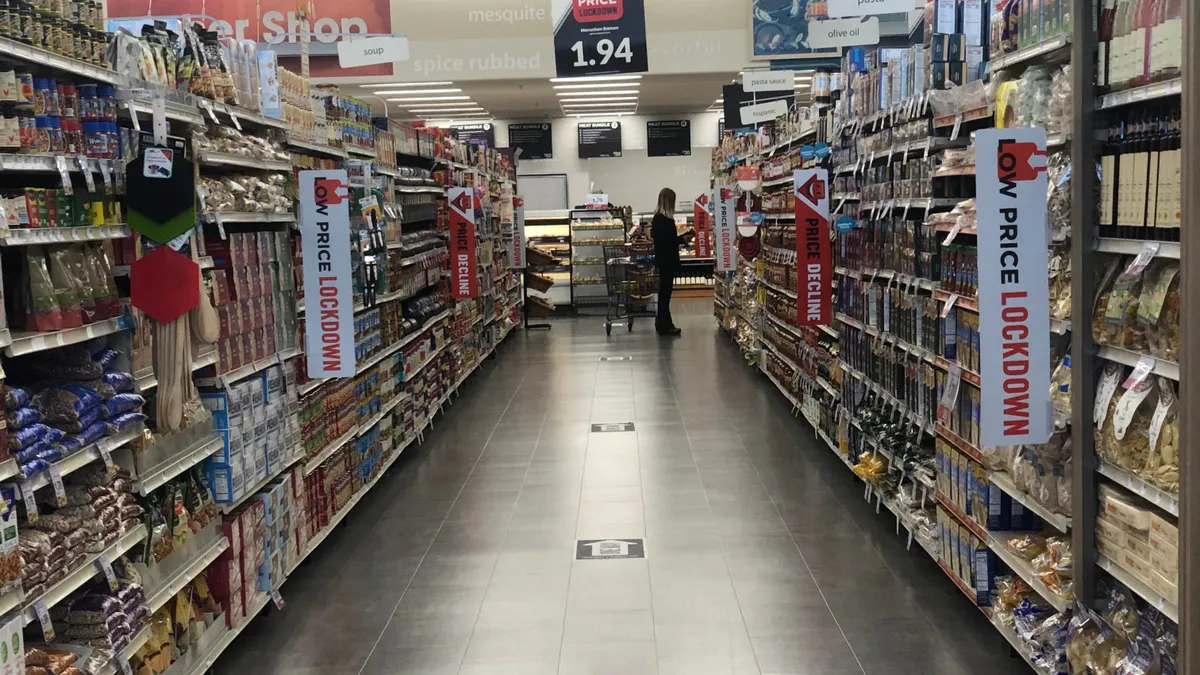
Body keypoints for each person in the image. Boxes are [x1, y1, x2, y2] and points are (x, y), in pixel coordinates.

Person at [650, 188, 694, 336]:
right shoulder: (665, 220)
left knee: (664, 293)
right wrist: (683, 239)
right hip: (667, 261)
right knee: (665, 294)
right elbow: (668, 242)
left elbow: (662, 241)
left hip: (662, 260)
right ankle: (665, 324)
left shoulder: (657, 218)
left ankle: (662, 322)